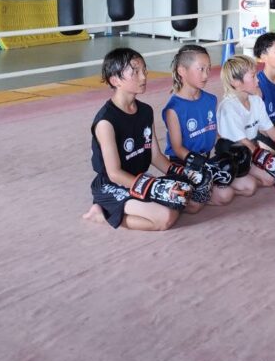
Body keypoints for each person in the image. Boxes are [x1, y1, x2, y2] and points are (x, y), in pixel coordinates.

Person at [83, 48, 199, 231]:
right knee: (165, 218)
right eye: (135, 72)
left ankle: (128, 207)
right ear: (115, 80)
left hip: (139, 179)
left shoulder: (145, 111)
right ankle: (102, 214)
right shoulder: (106, 121)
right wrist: (153, 187)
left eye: (144, 70)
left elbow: (155, 156)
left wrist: (185, 173)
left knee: (190, 200)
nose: (144, 77)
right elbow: (114, 173)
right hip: (113, 185)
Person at [162, 44, 258, 206]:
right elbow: (177, 148)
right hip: (185, 164)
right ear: (182, 71)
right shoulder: (174, 108)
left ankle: (203, 191)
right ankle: (181, 192)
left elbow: (213, 132)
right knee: (225, 195)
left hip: (207, 161)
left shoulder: (210, 99)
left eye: (208, 68)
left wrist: (229, 148)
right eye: (201, 69)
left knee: (249, 186)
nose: (206, 74)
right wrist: (202, 164)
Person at [217, 54, 275, 189]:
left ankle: (253, 170)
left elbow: (269, 128)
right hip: (234, 154)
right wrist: (264, 158)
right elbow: (242, 142)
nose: (258, 80)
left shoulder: (255, 100)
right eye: (253, 76)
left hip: (251, 146)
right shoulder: (229, 108)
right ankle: (227, 180)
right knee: (268, 180)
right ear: (236, 82)